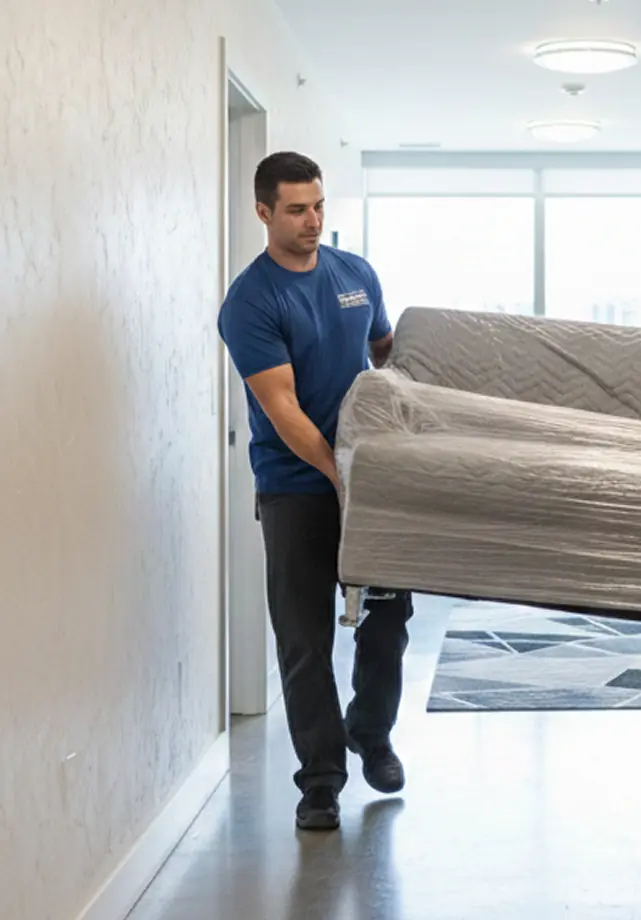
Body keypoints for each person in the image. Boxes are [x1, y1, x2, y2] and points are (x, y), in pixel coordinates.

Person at [218, 151, 414, 831]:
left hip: (371, 478)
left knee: (388, 618)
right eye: (297, 209)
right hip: (297, 486)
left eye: (320, 206)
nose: (312, 220)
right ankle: (322, 781)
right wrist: (340, 473)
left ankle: (372, 733)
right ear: (264, 212)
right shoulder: (251, 301)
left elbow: (389, 352)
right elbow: (283, 409)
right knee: (304, 640)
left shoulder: (356, 273)